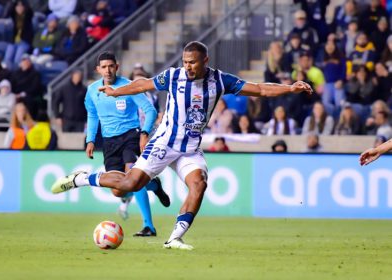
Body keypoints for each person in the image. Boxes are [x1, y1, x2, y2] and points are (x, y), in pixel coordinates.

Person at [51, 41, 312, 250]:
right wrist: (117, 91)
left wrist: (290, 88)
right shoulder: (173, 76)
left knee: (199, 184)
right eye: (185, 62)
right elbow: (144, 84)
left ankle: (175, 237)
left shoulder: (221, 81)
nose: (187, 67)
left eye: (192, 62)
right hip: (164, 142)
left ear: (205, 61)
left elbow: (260, 89)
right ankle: (83, 179)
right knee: (128, 185)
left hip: (190, 148)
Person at [68, 51, 170, 237]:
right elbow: (92, 115)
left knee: (131, 177)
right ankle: (154, 185)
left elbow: (150, 111)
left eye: (111, 66)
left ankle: (149, 226)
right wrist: (90, 139)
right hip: (109, 142)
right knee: (117, 190)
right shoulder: (92, 91)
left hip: (131, 136)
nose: (108, 70)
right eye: (104, 67)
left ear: (117, 67)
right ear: (98, 69)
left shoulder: (129, 86)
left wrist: (144, 134)